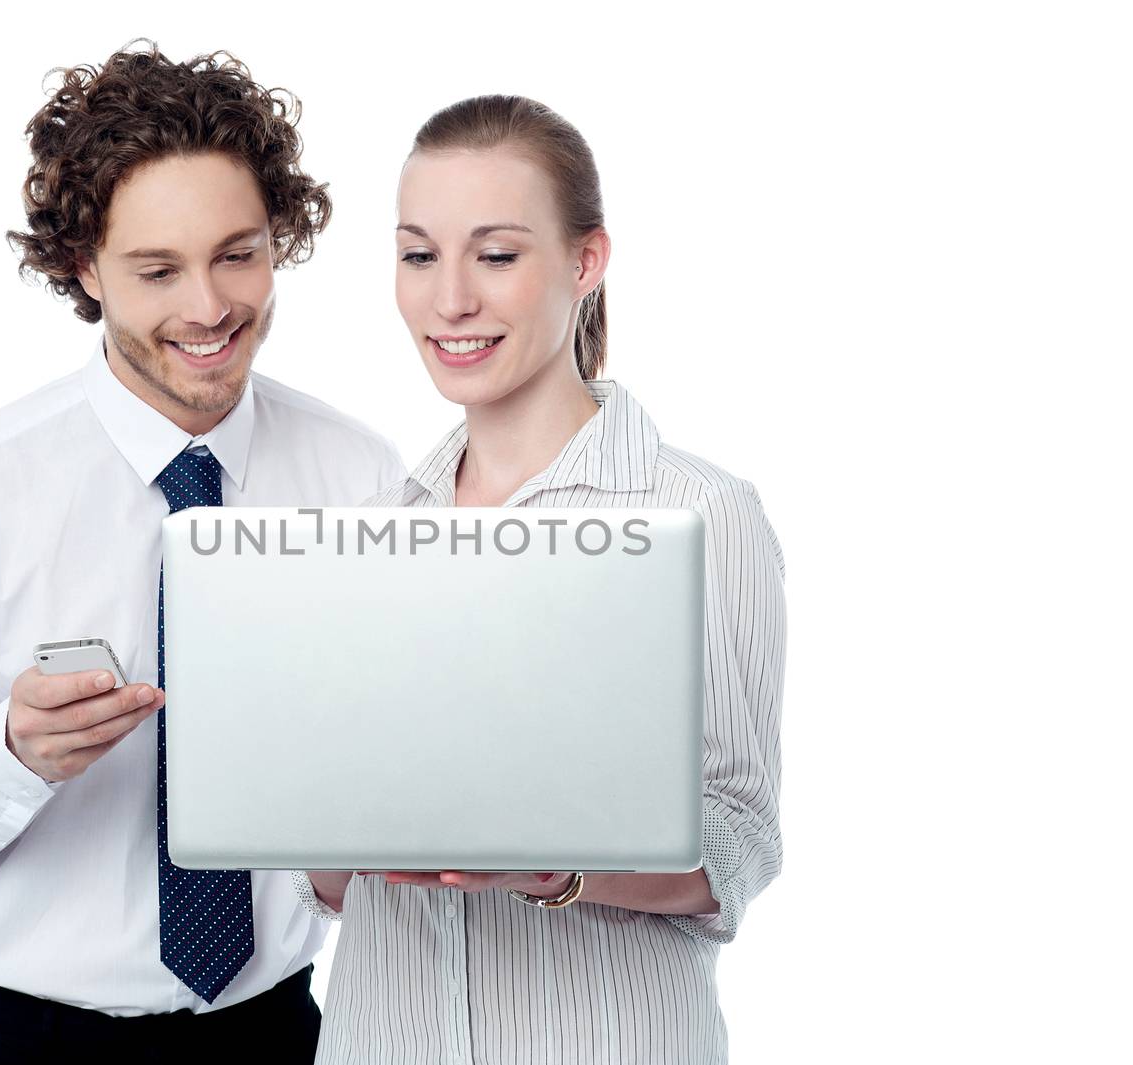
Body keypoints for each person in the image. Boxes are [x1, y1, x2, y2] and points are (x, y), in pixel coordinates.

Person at [0, 43, 404, 1064]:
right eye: (156, 269)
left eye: (239, 253)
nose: (209, 308)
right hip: (28, 1043)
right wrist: (7, 756)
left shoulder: (359, 474)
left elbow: (392, 775)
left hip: (279, 1034)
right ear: (85, 267)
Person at [298, 95, 787, 1064]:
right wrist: (309, 803)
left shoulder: (698, 512)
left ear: (584, 261)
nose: (449, 302)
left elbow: (739, 839)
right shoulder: (368, 530)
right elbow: (336, 890)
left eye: (496, 254)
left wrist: (552, 867)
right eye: (417, 254)